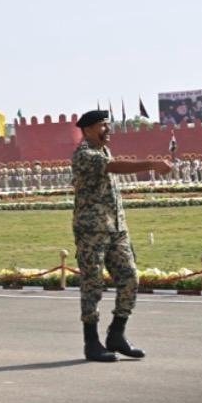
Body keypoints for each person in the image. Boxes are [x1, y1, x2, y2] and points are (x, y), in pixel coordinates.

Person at [73, 110, 172, 362]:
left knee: (130, 278)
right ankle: (91, 342)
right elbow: (113, 167)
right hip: (92, 232)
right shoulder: (84, 154)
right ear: (87, 130)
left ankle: (116, 334)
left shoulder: (104, 150)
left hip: (117, 230)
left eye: (108, 125)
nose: (107, 129)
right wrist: (152, 164)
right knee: (92, 284)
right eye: (101, 125)